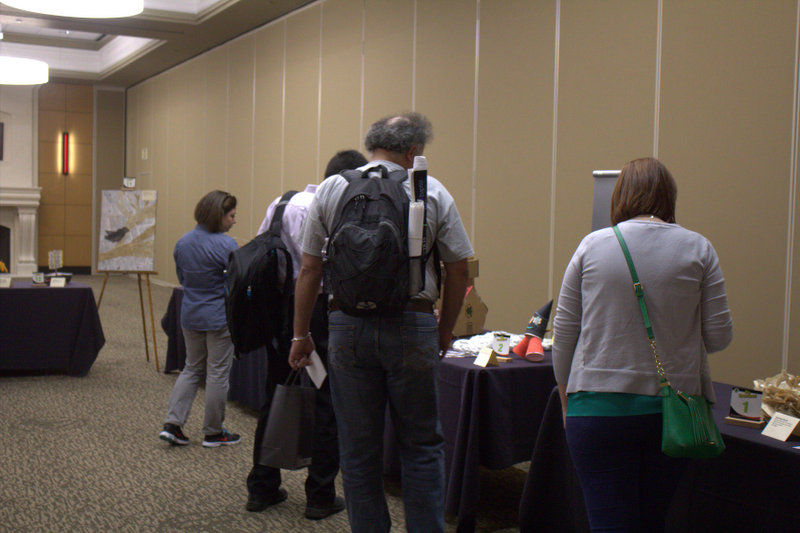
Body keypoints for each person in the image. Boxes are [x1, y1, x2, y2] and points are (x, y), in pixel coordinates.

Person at [289, 112, 473, 533]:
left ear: (372, 144)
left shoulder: (334, 188)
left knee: (357, 451)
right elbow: (459, 267)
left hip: (346, 327)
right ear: (413, 152)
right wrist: (445, 330)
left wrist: (301, 335)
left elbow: (310, 269)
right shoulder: (430, 189)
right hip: (413, 324)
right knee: (422, 446)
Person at [552, 157, 733, 532]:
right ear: (669, 197)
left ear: (619, 197)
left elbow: (563, 335)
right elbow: (719, 336)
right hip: (673, 413)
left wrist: (566, 400)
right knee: (652, 520)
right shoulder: (699, 249)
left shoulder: (592, 246)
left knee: (608, 522)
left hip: (596, 409)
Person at [245, 149, 368, 520]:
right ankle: (319, 495)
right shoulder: (338, 209)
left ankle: (261, 486)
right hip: (321, 314)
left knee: (275, 393)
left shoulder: (282, 203)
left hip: (280, 310)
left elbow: (263, 254)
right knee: (326, 402)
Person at [159, 190, 242, 448]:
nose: (234, 221)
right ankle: (214, 432)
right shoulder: (227, 245)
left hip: (190, 314)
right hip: (218, 317)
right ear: (219, 216)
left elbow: (183, 279)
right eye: (231, 216)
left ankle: (173, 425)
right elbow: (236, 283)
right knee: (218, 373)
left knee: (191, 368)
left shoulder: (182, 242)